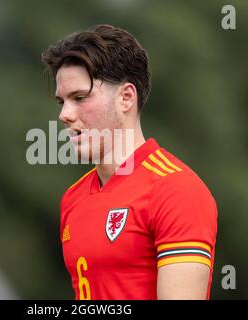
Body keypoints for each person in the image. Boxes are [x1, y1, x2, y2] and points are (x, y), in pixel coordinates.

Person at [41, 24, 218, 300]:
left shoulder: (176, 190)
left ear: (126, 98)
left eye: (79, 98)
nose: (64, 114)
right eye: (61, 101)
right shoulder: (72, 199)